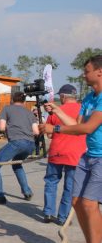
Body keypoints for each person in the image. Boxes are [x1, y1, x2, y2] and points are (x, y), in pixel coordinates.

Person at [41, 55, 102, 243]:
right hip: (87, 156)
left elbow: (87, 129)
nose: (83, 75)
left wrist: (55, 129)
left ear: (99, 72)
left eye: (86, 71)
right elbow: (76, 124)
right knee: (76, 201)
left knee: (89, 203)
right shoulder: (89, 98)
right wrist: (57, 112)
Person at [41, 84, 85, 225]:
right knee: (70, 186)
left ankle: (48, 213)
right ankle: (63, 217)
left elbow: (48, 134)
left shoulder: (55, 111)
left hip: (57, 151)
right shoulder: (83, 109)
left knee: (51, 182)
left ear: (63, 96)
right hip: (76, 153)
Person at [0, 91, 39, 204]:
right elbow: (36, 131)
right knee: (17, 164)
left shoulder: (7, 108)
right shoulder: (30, 113)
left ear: (12, 100)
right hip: (30, 144)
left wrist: (10, 127)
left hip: (17, 142)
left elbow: (1, 128)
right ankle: (27, 191)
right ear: (24, 102)